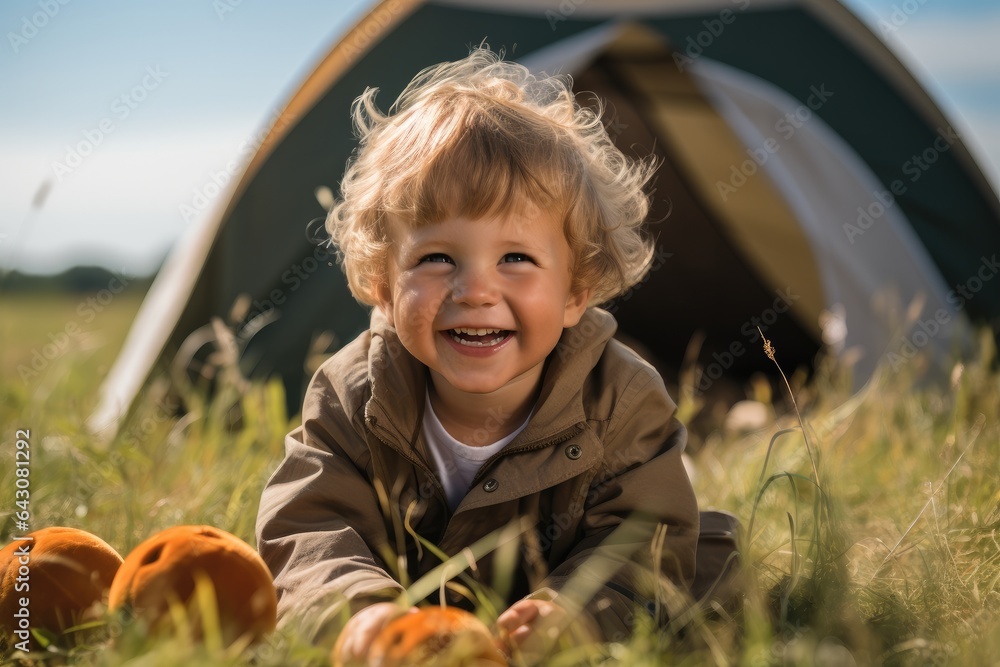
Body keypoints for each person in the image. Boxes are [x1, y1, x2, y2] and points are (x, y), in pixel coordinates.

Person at [256, 47, 713, 664]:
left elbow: (643, 537)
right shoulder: (352, 394)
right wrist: (361, 613)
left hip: (543, 617)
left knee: (711, 566)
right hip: (410, 623)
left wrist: (577, 615)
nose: (474, 290)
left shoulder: (621, 399)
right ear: (382, 286)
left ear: (577, 290)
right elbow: (309, 525)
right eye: (436, 258)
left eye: (516, 259)